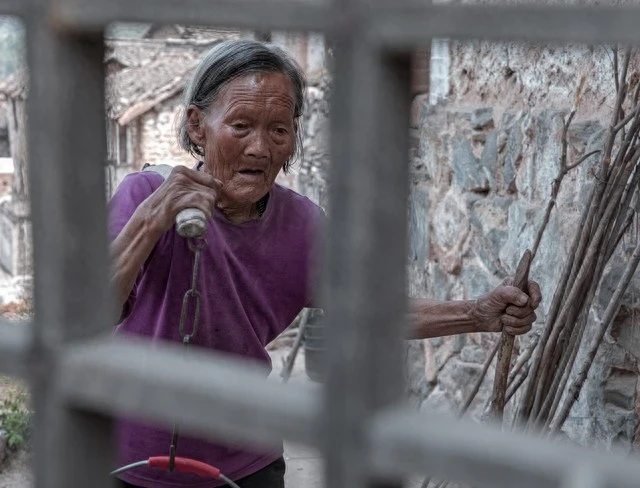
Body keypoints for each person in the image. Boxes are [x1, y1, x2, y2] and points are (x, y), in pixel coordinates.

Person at [108, 39, 542, 488]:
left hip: (244, 465)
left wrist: (477, 313)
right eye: (240, 125)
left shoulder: (303, 228)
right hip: (130, 463)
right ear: (197, 127)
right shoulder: (145, 197)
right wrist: (151, 222)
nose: (260, 148)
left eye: (279, 130)